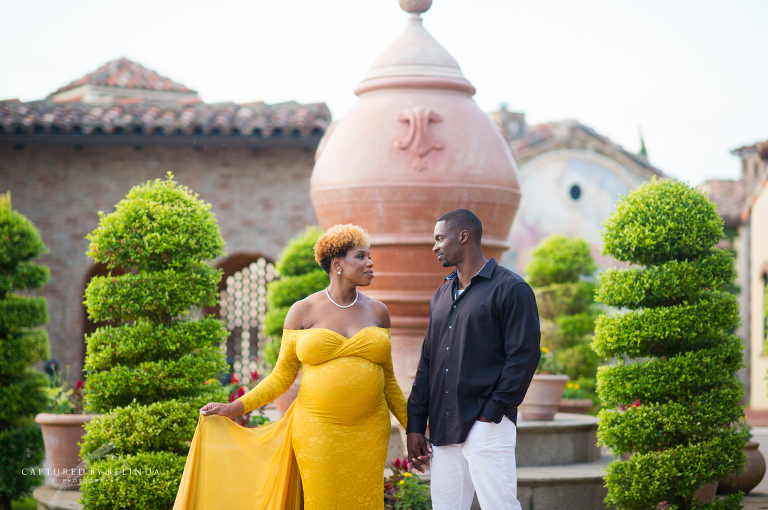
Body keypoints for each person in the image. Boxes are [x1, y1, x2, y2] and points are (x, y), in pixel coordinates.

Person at [173, 224, 408, 510]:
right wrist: (234, 408)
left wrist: (414, 429)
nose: (370, 263)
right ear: (337, 264)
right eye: (361, 256)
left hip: (370, 429)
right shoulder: (302, 310)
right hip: (318, 428)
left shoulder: (378, 311)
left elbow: (389, 382)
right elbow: (281, 377)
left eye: (369, 256)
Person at [406, 209, 541, 510]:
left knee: (500, 506)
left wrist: (491, 413)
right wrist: (415, 424)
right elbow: (428, 363)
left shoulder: (512, 289)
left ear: (463, 236)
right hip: (443, 428)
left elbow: (523, 356)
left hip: (487, 425)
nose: (435, 246)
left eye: (440, 238)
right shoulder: (441, 295)